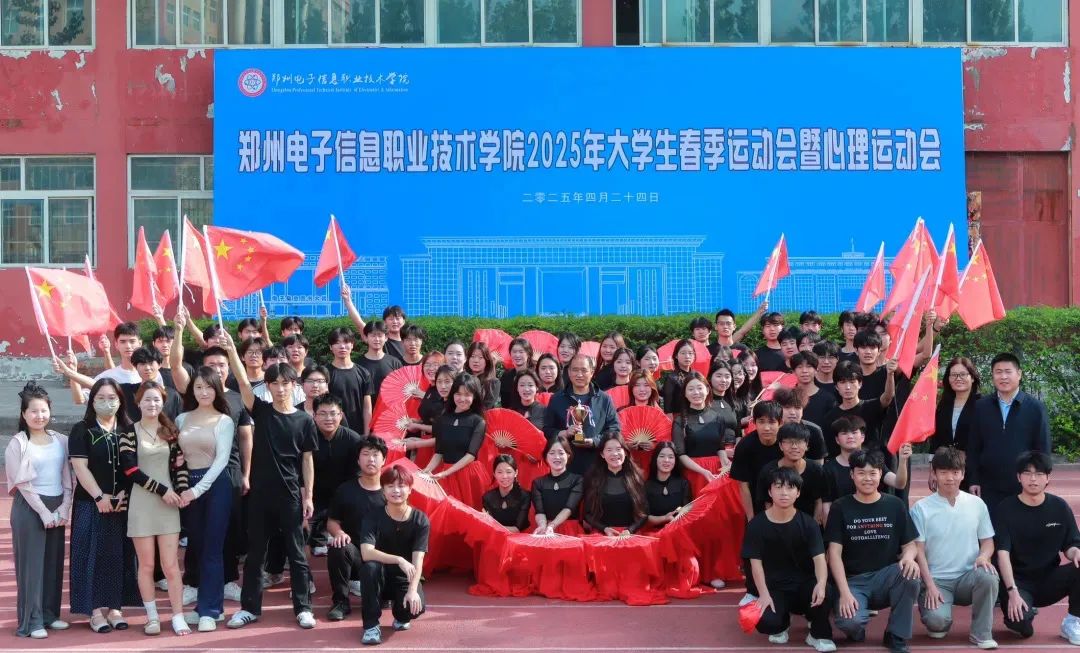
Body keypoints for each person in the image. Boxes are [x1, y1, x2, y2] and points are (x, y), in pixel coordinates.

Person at [221, 333, 319, 630]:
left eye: (285, 383)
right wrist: (232, 350)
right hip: (260, 496)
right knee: (255, 555)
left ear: (294, 385)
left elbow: (307, 460)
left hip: (290, 495)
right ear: (267, 386)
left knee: (296, 553)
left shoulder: (304, 420)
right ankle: (250, 608)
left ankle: (303, 608)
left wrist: (308, 496)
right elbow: (242, 382)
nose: (279, 388)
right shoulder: (261, 412)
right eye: (273, 383)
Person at [168, 310, 255, 606]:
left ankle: (228, 580)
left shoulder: (237, 398)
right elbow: (175, 365)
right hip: (194, 472)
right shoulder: (194, 396)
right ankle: (193, 581)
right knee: (195, 531)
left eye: (222, 365)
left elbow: (246, 437)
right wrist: (180, 329)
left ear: (229, 368)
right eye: (211, 366)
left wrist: (246, 474)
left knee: (227, 529)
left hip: (229, 471)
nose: (216, 370)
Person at [825, 449, 921, 653]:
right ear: (852, 475)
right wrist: (844, 593)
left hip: (886, 577)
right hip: (853, 581)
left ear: (880, 475)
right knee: (850, 622)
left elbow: (910, 545)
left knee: (911, 574)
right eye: (861, 473)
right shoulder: (840, 507)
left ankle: (896, 634)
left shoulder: (895, 505)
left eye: (872, 473)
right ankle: (856, 630)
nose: (867, 478)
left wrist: (909, 558)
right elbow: (833, 553)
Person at [69, 378, 140, 633]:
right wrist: (99, 497)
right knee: (90, 556)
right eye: (100, 398)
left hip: (122, 504)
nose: (106, 403)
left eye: (112, 398)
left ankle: (115, 608)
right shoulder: (82, 429)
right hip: (91, 503)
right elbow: (80, 467)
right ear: (92, 401)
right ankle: (95, 611)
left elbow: (134, 466)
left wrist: (123, 494)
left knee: (118, 556)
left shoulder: (128, 429)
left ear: (121, 401)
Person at [119, 382, 190, 636]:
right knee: (147, 566)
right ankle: (152, 617)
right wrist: (163, 491)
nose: (152, 404)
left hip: (169, 505)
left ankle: (178, 616)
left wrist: (182, 491)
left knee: (171, 566)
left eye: (157, 399)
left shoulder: (171, 432)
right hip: (141, 505)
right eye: (147, 399)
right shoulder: (128, 433)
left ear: (163, 402)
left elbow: (180, 467)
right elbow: (130, 470)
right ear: (138, 403)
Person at [910, 448, 998, 650]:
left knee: (989, 576)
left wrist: (984, 557)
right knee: (937, 624)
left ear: (963, 474)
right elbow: (918, 551)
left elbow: (987, 542)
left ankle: (981, 633)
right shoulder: (921, 508)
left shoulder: (977, 504)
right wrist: (930, 585)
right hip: (937, 580)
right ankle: (938, 615)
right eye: (943, 472)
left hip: (968, 576)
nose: (950, 478)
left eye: (955, 472)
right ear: (934, 474)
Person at [742, 467, 836, 653]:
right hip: (775, 588)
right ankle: (783, 622)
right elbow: (755, 564)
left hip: (805, 585)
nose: (784, 493)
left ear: (798, 493)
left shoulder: (808, 523)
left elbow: (819, 559)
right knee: (766, 623)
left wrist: (821, 583)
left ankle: (819, 634)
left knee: (826, 591)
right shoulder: (756, 525)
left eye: (790, 487)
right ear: (770, 492)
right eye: (778, 487)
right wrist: (763, 594)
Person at [993, 451, 1080, 644]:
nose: (1033, 479)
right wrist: (1012, 591)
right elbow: (1002, 554)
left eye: (1039, 474)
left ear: (1047, 478)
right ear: (1019, 477)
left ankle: (1073, 621)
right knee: (1022, 627)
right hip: (1018, 582)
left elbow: (1071, 544)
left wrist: (1076, 552)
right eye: (1027, 473)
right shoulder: (1005, 509)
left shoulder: (1059, 507)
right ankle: (1024, 612)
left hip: (1049, 579)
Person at [6, 383, 72, 639]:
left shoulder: (61, 440)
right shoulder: (18, 443)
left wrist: (64, 507)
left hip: (56, 503)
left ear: (50, 411)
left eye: (43, 410)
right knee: (32, 566)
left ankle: (49, 614)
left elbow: (68, 478)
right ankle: (32, 621)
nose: (39, 416)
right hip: (30, 507)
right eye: (33, 411)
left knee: (53, 563)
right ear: (24, 414)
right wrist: (43, 512)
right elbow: (23, 484)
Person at [175, 368, 235, 631]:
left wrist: (197, 490)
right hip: (188, 486)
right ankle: (206, 607)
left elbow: (221, 461)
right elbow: (175, 453)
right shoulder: (181, 419)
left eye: (208, 387)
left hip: (215, 486)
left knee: (212, 549)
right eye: (198, 387)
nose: (203, 392)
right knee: (197, 547)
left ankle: (210, 610)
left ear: (217, 389)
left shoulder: (224, 421)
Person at [967, 353, 1052, 518]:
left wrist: (1038, 479)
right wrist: (974, 479)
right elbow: (973, 447)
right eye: (998, 372)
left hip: (1022, 485)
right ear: (992, 376)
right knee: (991, 529)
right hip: (988, 486)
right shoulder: (981, 407)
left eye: (1008, 371)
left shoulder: (1035, 408)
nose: (1003, 377)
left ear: (1019, 374)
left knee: (1022, 528)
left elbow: (1043, 448)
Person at [359, 465, 429, 645]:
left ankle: (400, 614)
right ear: (383, 490)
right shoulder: (373, 516)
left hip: (404, 578)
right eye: (390, 486)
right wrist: (399, 559)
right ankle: (371, 626)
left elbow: (418, 559)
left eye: (401, 485)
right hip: (380, 576)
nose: (396, 490)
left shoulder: (420, 520)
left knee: (414, 607)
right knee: (369, 567)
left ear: (410, 489)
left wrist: (412, 590)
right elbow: (366, 553)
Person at [326, 436, 388, 622]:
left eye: (375, 455)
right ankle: (341, 602)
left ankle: (386, 592)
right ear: (358, 460)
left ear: (384, 460)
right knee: (338, 547)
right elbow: (332, 521)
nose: (371, 459)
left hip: (382, 558)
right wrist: (339, 533)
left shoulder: (392, 492)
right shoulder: (345, 490)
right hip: (355, 556)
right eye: (366, 454)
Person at [542, 354, 621, 475]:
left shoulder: (604, 399)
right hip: (566, 466)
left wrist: (594, 441)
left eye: (584, 370)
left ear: (592, 372)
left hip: (597, 465)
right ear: (569, 372)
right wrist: (564, 433)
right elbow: (547, 430)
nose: (579, 374)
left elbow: (614, 429)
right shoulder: (557, 399)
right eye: (575, 370)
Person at [821, 416, 911, 522]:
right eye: (844, 433)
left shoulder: (873, 461)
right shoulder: (828, 469)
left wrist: (903, 460)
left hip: (874, 521)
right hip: (844, 523)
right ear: (837, 440)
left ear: (862, 437)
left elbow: (899, 483)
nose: (850, 436)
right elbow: (827, 506)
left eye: (854, 432)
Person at [423, 373, 490, 509]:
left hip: (468, 476)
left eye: (467, 395)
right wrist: (426, 470)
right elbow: (439, 452)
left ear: (474, 397)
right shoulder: (443, 419)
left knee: (469, 514)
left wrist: (446, 473)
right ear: (452, 394)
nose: (462, 399)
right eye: (458, 394)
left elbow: (471, 455)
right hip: (446, 474)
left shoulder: (478, 422)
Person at [310, 394, 363, 557]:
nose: (328, 418)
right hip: (313, 493)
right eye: (323, 413)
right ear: (314, 415)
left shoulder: (353, 439)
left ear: (341, 415)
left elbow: (357, 474)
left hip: (343, 492)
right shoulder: (306, 436)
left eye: (333, 413)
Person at [671, 372, 735, 496]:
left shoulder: (717, 417)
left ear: (707, 390)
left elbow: (720, 447)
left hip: (717, 471)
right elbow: (681, 454)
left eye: (700, 388)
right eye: (691, 389)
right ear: (685, 394)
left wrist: (724, 460)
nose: (696, 392)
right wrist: (702, 471)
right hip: (695, 472)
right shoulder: (680, 421)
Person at [754, 423, 827, 525]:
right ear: (780, 445)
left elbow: (819, 500)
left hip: (808, 524)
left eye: (799, 442)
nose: (794, 447)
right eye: (789, 442)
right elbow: (767, 503)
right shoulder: (768, 471)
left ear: (806, 445)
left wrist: (813, 526)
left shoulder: (816, 470)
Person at [821, 360, 895, 459]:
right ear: (836, 387)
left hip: (871, 463)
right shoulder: (830, 418)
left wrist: (890, 374)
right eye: (842, 382)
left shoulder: (870, 407)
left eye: (852, 382)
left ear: (860, 384)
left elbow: (888, 397)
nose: (848, 387)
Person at [583, 433, 648, 535]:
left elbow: (645, 513)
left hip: (630, 535)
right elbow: (587, 514)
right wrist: (604, 529)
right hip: (603, 535)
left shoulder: (636, 478)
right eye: (609, 450)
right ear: (602, 454)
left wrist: (629, 530)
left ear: (625, 452)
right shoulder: (593, 479)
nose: (615, 453)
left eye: (618, 449)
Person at [531, 435, 586, 535]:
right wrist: (542, 525)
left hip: (570, 531)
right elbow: (540, 511)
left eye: (561, 453)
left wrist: (552, 525)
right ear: (546, 456)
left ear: (568, 455)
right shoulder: (538, 483)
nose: (557, 457)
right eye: (552, 453)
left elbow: (569, 508)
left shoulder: (577, 480)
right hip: (546, 530)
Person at [326, 327, 374, 435]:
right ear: (330, 347)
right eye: (337, 343)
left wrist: (366, 434)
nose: (342, 346)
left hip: (359, 433)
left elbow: (367, 408)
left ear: (352, 345)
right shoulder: (325, 373)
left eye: (346, 342)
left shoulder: (363, 373)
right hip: (334, 433)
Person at [930, 357, 981, 453]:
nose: (958, 378)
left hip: (973, 460)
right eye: (954, 375)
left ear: (972, 378)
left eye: (963, 374)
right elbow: (936, 438)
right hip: (944, 460)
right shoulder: (943, 405)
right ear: (948, 379)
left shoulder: (982, 405)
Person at [406, 364, 454, 466]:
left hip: (448, 457)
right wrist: (418, 424)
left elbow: (446, 437)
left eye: (447, 381)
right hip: (431, 446)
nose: (443, 386)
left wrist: (416, 442)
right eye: (439, 382)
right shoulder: (441, 400)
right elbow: (438, 429)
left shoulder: (455, 406)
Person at [773, 387, 826, 465]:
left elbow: (818, 464)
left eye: (797, 408)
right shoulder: (771, 430)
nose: (792, 412)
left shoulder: (814, 430)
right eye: (787, 407)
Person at [643, 442, 690, 529]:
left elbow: (687, 512)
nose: (666, 460)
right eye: (662, 456)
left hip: (677, 529)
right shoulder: (646, 486)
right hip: (654, 533)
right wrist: (664, 518)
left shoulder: (683, 483)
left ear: (675, 460)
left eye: (671, 457)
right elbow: (645, 518)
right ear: (655, 459)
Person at [790, 352, 836, 433]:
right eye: (799, 367)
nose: (804, 371)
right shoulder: (787, 397)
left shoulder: (828, 399)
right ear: (793, 371)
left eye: (809, 366)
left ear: (816, 370)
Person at [482, 455, 531, 532]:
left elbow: (517, 529)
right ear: (494, 474)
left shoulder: (525, 496)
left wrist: (492, 526)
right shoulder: (487, 497)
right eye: (500, 472)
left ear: (516, 473)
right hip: (496, 536)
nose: (504, 476)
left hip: (521, 537)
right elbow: (488, 527)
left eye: (508, 472)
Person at [358, 321, 404, 400]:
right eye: (373, 335)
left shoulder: (395, 363)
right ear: (365, 337)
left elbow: (401, 389)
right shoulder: (358, 364)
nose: (377, 339)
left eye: (380, 335)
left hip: (388, 406)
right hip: (365, 407)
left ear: (386, 338)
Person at [660, 339, 697, 414]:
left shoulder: (696, 375)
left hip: (695, 414)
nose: (687, 356)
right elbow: (668, 406)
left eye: (690, 353)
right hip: (678, 417)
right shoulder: (671, 378)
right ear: (676, 355)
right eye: (683, 353)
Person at [499, 337, 535, 409]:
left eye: (521, 352)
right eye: (514, 352)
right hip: (510, 413)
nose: (517, 355)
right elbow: (504, 402)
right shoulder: (506, 375)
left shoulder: (534, 375)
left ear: (528, 354)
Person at [465, 342, 500, 409]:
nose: (476, 360)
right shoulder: (462, 378)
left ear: (487, 360)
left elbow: (486, 407)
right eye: (472, 356)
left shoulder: (493, 383)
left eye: (480, 357)